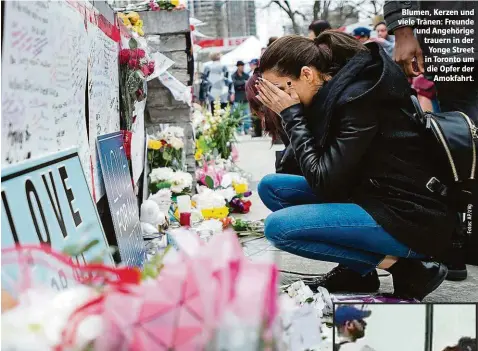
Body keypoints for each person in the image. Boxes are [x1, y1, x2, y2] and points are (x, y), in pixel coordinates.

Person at [253, 32, 456, 300]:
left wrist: (292, 116)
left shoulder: (358, 100)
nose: (276, 98)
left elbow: (325, 181)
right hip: (371, 193)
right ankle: (358, 272)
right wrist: (291, 116)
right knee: (272, 188)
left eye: (279, 87)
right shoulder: (330, 93)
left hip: (408, 214)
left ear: (307, 74)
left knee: (279, 229)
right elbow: (300, 168)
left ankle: (407, 266)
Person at [384, 0, 478, 281]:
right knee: (462, 138)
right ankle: (461, 240)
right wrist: (403, 27)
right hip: (456, 34)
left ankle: (461, 241)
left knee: (463, 139)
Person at [232, 61, 252, 134]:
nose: (242, 68)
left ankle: (247, 129)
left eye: (243, 66)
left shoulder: (246, 75)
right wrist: (244, 82)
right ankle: (239, 130)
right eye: (241, 66)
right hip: (237, 98)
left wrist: (241, 84)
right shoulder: (234, 75)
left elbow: (249, 84)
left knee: (247, 115)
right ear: (238, 67)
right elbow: (235, 84)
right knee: (237, 115)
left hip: (245, 97)